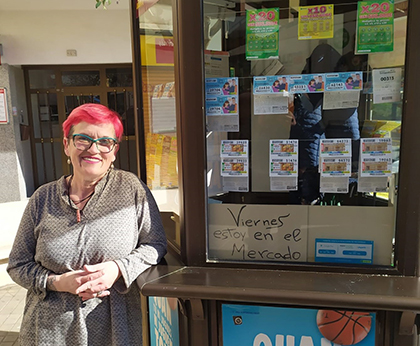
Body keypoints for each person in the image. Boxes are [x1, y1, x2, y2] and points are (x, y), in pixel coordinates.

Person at [7, 103, 167, 345]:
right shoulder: (42, 198)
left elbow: (155, 244)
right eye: (83, 139)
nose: (94, 149)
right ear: (66, 145)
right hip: (49, 333)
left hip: (114, 331)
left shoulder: (131, 190)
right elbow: (17, 265)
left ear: (114, 151)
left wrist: (119, 269)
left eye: (105, 142)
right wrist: (57, 282)